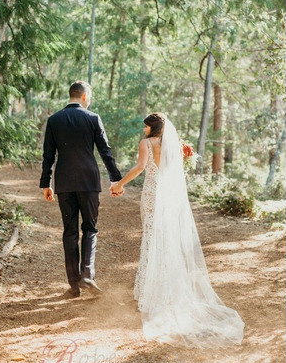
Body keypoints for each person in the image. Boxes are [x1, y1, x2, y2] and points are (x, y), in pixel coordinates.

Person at [110, 112, 244, 348]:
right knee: (165, 238)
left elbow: (141, 167)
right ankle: (165, 289)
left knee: (152, 238)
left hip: (152, 195)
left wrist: (120, 184)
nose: (143, 131)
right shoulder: (174, 145)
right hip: (168, 197)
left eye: (145, 127)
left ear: (153, 127)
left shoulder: (146, 144)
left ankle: (150, 292)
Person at [40, 81, 123, 298]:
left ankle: (74, 285)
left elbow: (48, 155)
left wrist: (45, 183)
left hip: (65, 183)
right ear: (85, 97)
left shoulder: (54, 120)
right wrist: (116, 179)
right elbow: (105, 151)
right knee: (90, 228)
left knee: (69, 231)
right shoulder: (93, 118)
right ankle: (87, 274)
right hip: (88, 182)